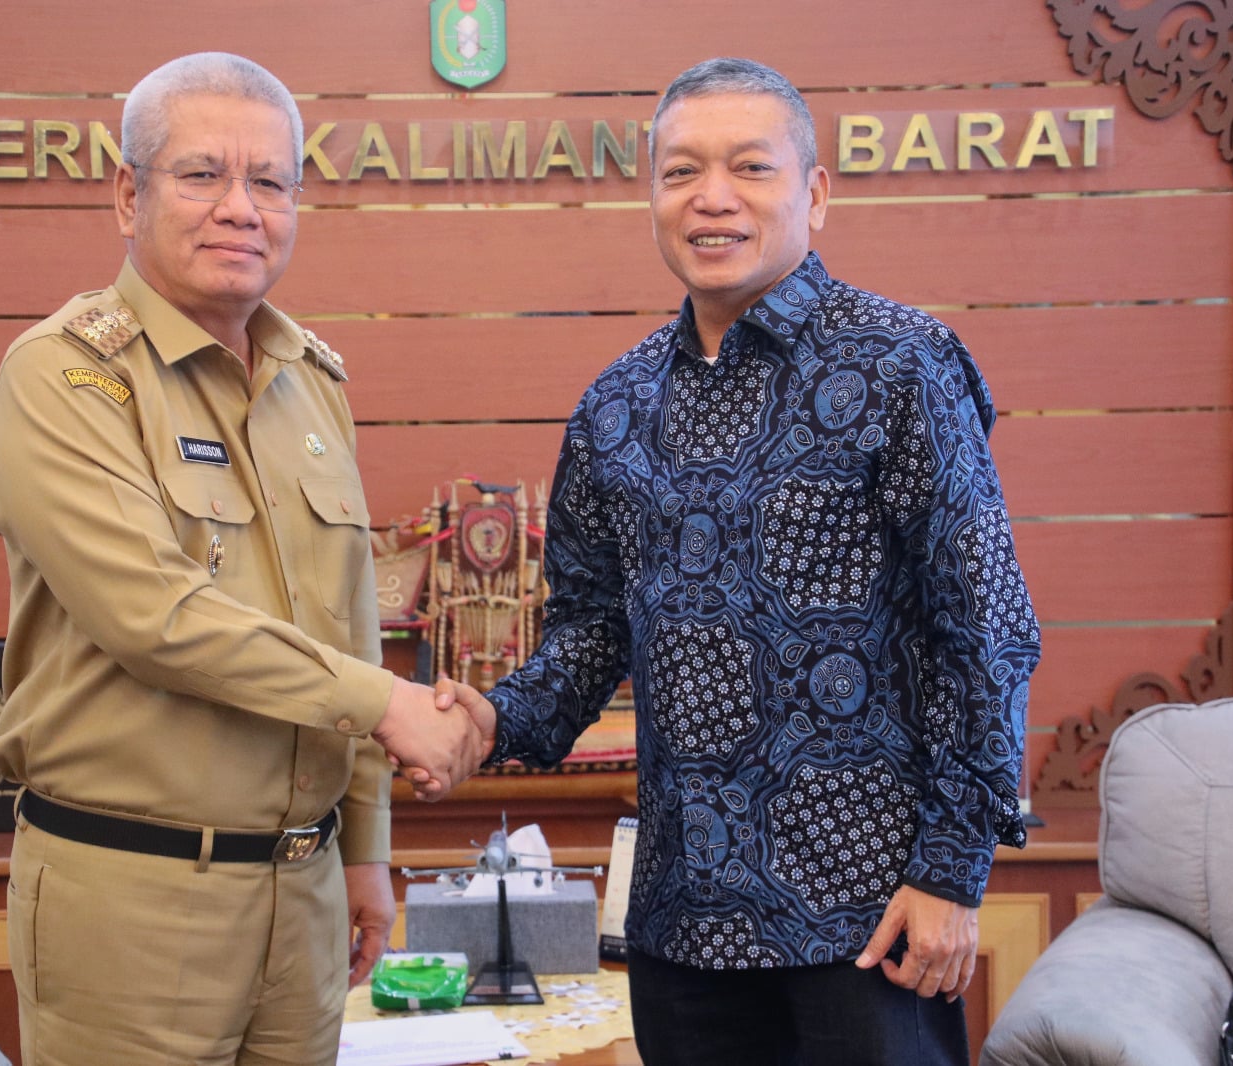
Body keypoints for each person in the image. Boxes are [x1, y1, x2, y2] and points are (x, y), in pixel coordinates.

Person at [426, 57, 1041, 1065]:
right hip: (682, 919)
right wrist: (492, 720)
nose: (711, 199)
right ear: (651, 197)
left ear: (815, 191)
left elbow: (984, 629)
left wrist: (949, 872)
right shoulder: (613, 406)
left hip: (869, 919)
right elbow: (587, 633)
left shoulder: (901, 363)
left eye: (749, 168)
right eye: (680, 173)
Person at [0, 52, 485, 1066]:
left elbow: (348, 625)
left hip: (303, 899)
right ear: (129, 193)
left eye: (272, 182)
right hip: (134, 901)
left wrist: (366, 852)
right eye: (202, 175)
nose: (240, 208)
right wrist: (391, 705)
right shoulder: (63, 377)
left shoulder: (309, 381)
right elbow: (154, 616)